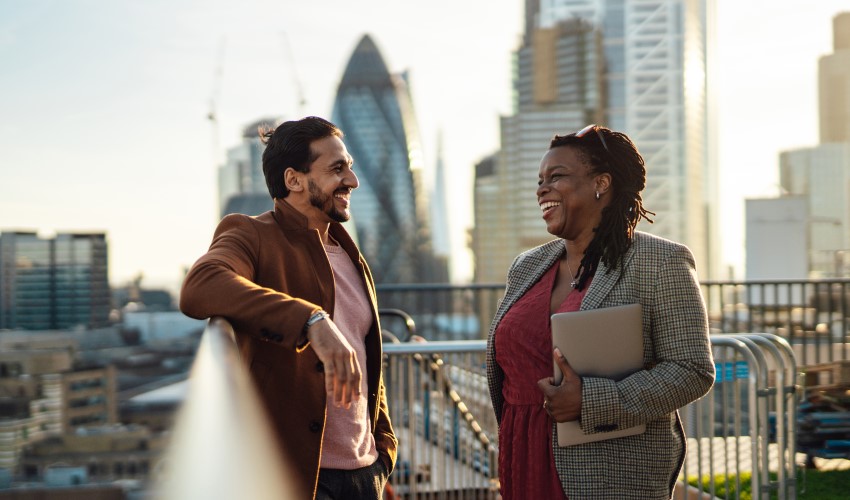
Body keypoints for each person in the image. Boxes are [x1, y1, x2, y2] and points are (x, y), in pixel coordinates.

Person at [485, 124, 715, 499]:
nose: (542, 188)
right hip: (523, 458)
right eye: (540, 179)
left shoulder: (660, 261)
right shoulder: (526, 266)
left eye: (556, 176)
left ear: (601, 184)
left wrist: (590, 401)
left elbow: (692, 370)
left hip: (607, 471)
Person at [180, 116, 396, 499]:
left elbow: (365, 356)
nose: (352, 181)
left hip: (367, 473)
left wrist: (384, 448)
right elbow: (201, 284)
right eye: (337, 169)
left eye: (350, 167)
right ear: (294, 180)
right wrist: (311, 319)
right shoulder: (251, 233)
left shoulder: (350, 253)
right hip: (303, 480)